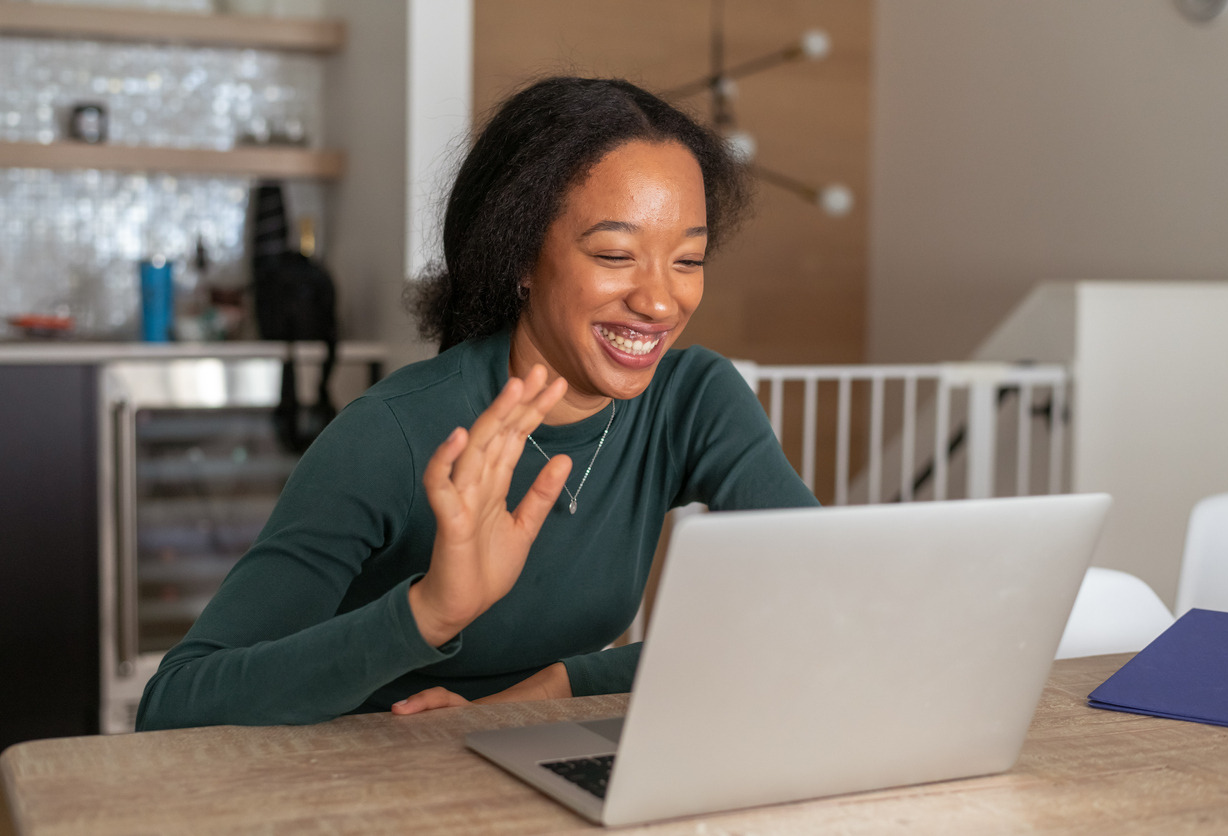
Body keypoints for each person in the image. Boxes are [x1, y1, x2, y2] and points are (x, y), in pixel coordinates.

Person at [137, 77, 818, 731]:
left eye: (688, 261)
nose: (661, 302)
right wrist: (427, 614)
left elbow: (817, 603)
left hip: (544, 750)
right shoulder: (394, 434)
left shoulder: (693, 399)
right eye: (615, 254)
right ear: (521, 256)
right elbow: (174, 704)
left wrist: (556, 686)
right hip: (366, 772)